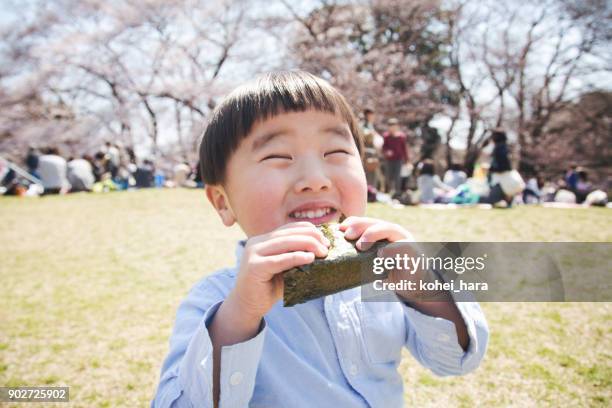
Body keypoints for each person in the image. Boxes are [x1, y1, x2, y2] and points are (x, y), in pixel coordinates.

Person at [151, 71, 488, 407]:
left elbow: (455, 359)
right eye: (276, 157)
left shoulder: (386, 276)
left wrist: (422, 286)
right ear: (224, 202)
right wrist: (240, 316)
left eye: (336, 152)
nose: (315, 179)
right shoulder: (218, 299)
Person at [382, 118, 409, 196]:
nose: (392, 128)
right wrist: (386, 152)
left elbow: (404, 149)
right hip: (389, 160)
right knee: (388, 176)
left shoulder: (401, 136)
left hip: (398, 159)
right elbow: (384, 147)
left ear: (397, 126)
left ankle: (397, 193)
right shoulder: (386, 136)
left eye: (394, 126)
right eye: (391, 126)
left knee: (397, 176)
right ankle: (389, 192)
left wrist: (407, 160)